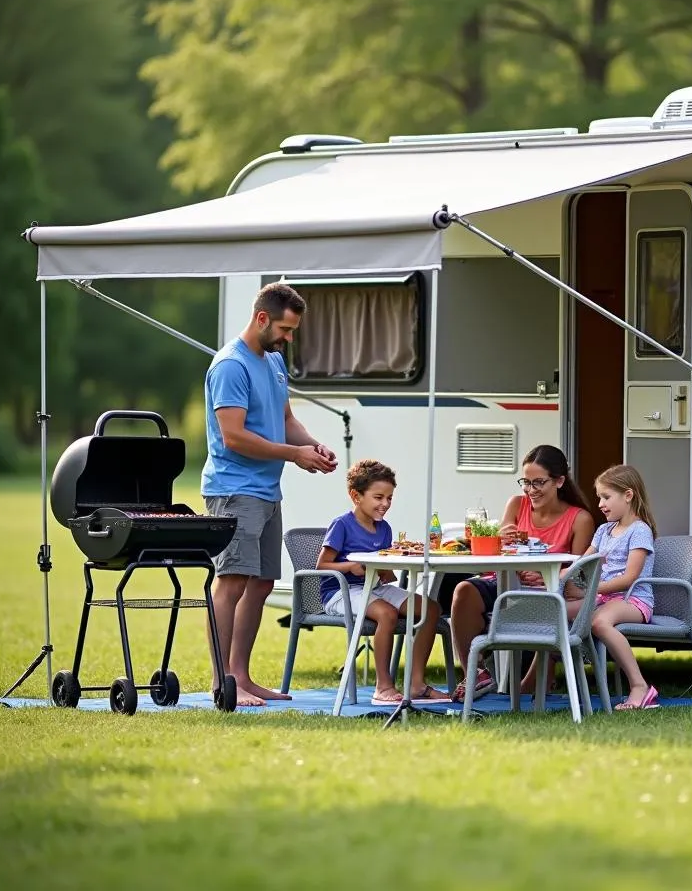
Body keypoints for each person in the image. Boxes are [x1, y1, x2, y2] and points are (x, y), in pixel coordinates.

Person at [203, 282, 337, 708]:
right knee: (232, 583)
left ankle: (241, 675)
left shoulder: (274, 363)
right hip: (233, 490)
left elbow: (285, 417)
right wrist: (293, 455)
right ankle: (222, 681)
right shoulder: (230, 366)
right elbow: (234, 437)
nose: (288, 337)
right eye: (284, 328)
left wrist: (312, 446)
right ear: (262, 318)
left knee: (260, 584)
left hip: (265, 491)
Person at [450, 445, 595, 702]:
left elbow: (579, 571)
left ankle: (538, 677)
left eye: (538, 482)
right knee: (464, 590)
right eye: (526, 482)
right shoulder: (517, 504)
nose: (530, 490)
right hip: (506, 582)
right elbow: (497, 552)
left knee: (544, 606)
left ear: (559, 481)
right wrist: (499, 539)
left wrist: (548, 575)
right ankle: (476, 673)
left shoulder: (579, 518)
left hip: (547, 591)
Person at [316, 459, 451, 705]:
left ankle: (417, 684)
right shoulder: (342, 525)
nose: (385, 504)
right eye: (378, 497)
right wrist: (350, 566)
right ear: (356, 496)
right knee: (387, 614)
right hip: (341, 591)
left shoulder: (384, 528)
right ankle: (383, 686)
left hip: (374, 587)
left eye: (389, 498)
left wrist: (389, 568)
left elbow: (383, 568)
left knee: (430, 609)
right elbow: (321, 565)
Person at [564, 464, 660, 710]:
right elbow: (583, 565)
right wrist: (565, 575)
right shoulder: (604, 530)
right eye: (599, 497)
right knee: (557, 612)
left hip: (633, 600)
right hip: (605, 598)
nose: (600, 504)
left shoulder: (639, 530)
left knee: (598, 622)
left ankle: (640, 686)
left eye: (606, 497)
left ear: (628, 495)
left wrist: (592, 589)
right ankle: (553, 683)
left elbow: (629, 578)